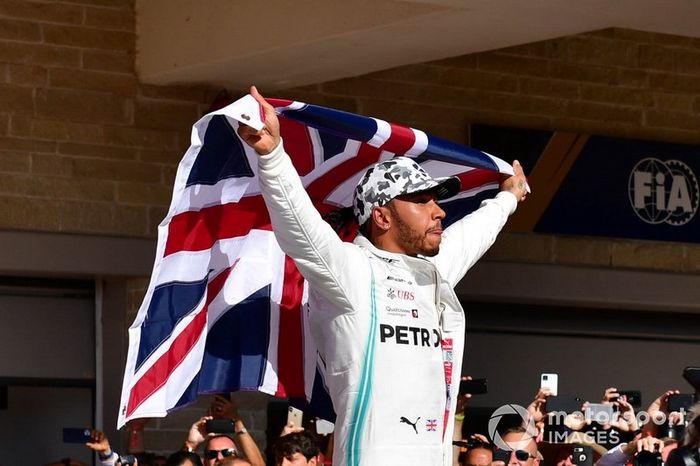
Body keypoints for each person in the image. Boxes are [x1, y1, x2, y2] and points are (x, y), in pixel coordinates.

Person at [238, 86, 528, 466]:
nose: (439, 212)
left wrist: (507, 198)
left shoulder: (431, 274)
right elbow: (300, 227)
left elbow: (471, 237)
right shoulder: (351, 270)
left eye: (436, 201)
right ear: (382, 216)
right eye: (422, 201)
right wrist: (273, 154)